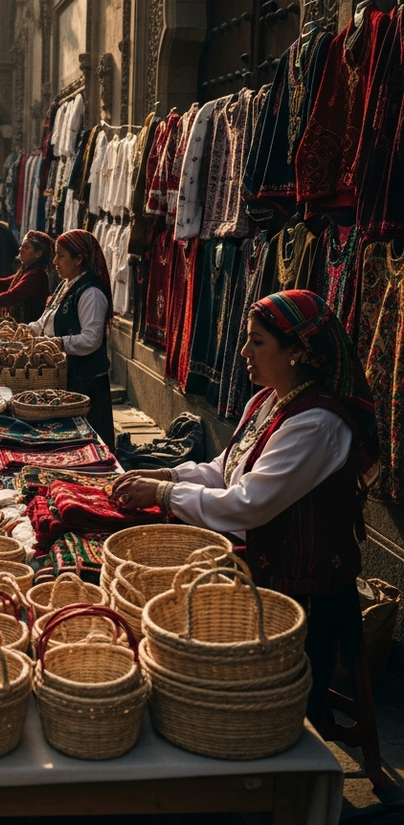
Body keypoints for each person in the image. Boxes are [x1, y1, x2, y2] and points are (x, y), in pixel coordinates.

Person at [112, 290, 380, 727]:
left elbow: (248, 503)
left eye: (257, 342)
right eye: (247, 340)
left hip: (297, 584)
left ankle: (222, 714)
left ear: (297, 351)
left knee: (165, 606)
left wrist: (163, 496)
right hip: (260, 556)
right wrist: (167, 478)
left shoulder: (316, 423)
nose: (244, 352)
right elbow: (224, 470)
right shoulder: (268, 401)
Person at [27, 229, 115, 449]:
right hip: (67, 378)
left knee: (88, 446)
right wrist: (25, 331)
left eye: (60, 255)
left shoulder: (91, 293)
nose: (55, 261)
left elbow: (91, 339)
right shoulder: (66, 285)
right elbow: (46, 321)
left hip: (86, 382)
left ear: (79, 259)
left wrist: (57, 343)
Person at [0, 230, 54, 323]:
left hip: (27, 327)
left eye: (26, 247)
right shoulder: (26, 271)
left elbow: (13, 296)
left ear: (38, 253)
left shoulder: (36, 275)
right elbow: (3, 284)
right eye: (21, 246)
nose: (20, 250)